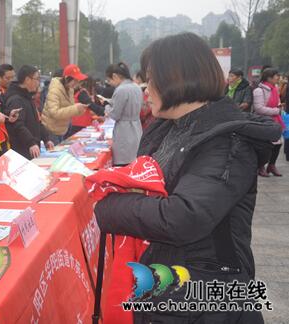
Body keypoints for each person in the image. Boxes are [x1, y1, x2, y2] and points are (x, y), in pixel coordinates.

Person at [94, 32, 280, 324]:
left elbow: (184, 216)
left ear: (176, 79)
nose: (146, 89)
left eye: (151, 80)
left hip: (204, 291)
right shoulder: (168, 128)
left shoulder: (227, 142)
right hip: (166, 275)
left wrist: (105, 208)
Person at [4, 65, 54, 159]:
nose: (38, 83)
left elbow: (37, 122)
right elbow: (18, 125)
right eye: (37, 79)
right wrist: (30, 142)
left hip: (32, 148)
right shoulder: (16, 100)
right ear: (27, 79)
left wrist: (47, 139)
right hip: (22, 151)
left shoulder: (28, 97)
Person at [104, 62, 143, 166]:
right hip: (136, 127)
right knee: (134, 163)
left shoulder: (121, 90)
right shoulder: (136, 87)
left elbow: (115, 115)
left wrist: (107, 108)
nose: (110, 83)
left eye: (109, 80)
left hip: (124, 132)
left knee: (123, 164)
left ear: (115, 76)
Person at [41, 64, 88, 144]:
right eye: (75, 80)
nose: (76, 83)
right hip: (51, 130)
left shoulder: (70, 89)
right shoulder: (55, 90)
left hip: (61, 129)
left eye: (78, 81)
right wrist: (75, 108)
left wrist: (80, 110)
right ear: (67, 78)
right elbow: (54, 113)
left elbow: (69, 110)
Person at [253, 68, 284, 177]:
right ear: (269, 77)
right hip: (264, 122)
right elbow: (259, 108)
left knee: (278, 144)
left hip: (275, 121)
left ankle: (271, 165)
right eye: (276, 76)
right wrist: (276, 111)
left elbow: (277, 103)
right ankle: (260, 166)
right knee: (265, 145)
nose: (278, 77)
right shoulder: (259, 90)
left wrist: (279, 107)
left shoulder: (275, 88)